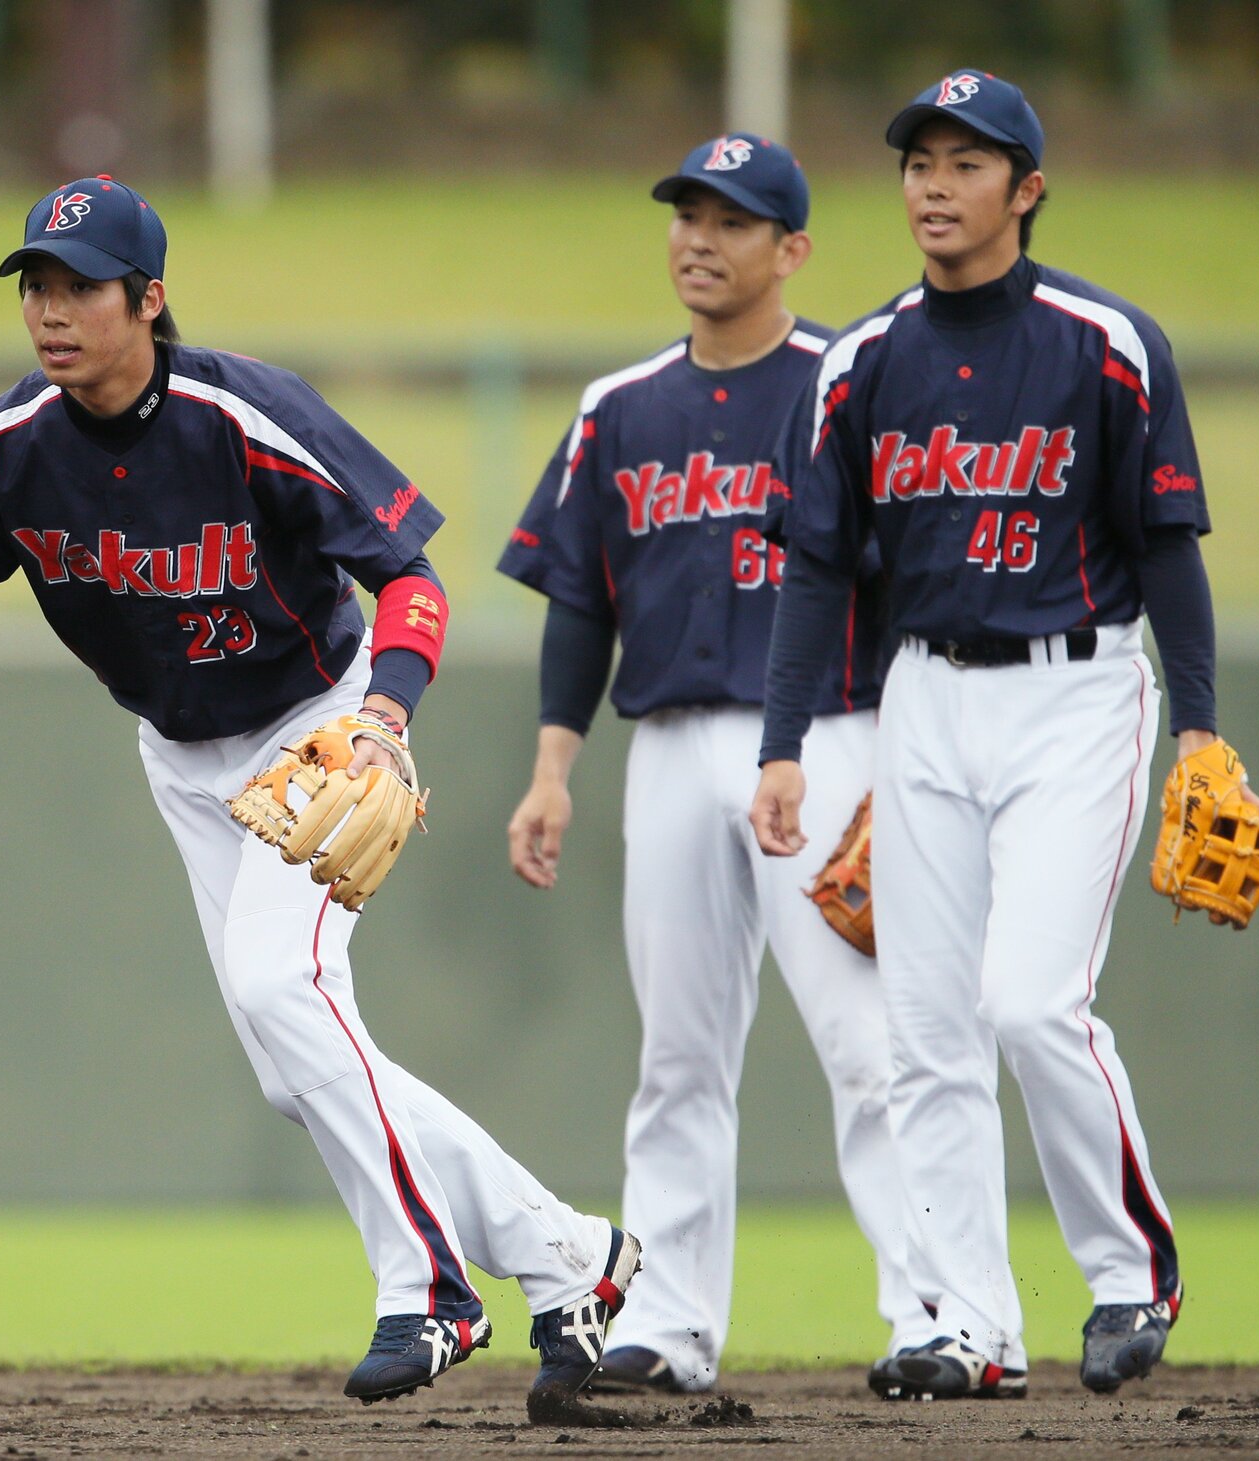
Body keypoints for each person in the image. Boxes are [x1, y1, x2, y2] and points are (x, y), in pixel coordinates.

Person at [0, 175, 641, 1421]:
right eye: (37, 285)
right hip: (180, 753)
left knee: (279, 988)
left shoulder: (245, 416)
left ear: (151, 298)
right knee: (298, 1066)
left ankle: (432, 1290)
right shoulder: (6, 445)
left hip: (316, 725)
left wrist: (381, 722)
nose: (53, 311)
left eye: (81, 286)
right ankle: (572, 1255)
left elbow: (411, 580)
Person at [751, 72, 1259, 1400]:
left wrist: (1203, 732)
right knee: (926, 1031)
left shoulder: (1107, 343)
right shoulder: (861, 362)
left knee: (1031, 1002)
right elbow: (820, 568)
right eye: (918, 161)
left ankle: (1126, 1273)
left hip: (1078, 691)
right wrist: (784, 745)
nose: (933, 184)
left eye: (966, 163)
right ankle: (969, 1324)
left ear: (1027, 191)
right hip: (924, 699)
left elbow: (1168, 549)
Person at [499, 137, 929, 1394]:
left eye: (732, 220)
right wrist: (551, 768)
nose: (699, 237)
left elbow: (913, 575)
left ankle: (938, 1312)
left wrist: (904, 763)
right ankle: (669, 1321)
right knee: (677, 1057)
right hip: (672, 741)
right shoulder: (620, 407)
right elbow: (580, 601)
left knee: (869, 1041)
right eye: (687, 214)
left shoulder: (849, 383)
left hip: (833, 733)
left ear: (792, 249)